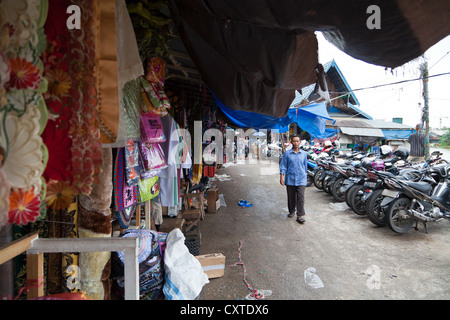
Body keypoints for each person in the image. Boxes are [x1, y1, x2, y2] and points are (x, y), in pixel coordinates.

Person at [279, 134, 308, 224]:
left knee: (301, 197)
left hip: (301, 179)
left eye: (297, 141)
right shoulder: (287, 154)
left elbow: (305, 167)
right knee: (291, 197)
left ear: (300, 142)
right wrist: (282, 176)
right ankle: (291, 211)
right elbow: (283, 166)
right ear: (291, 142)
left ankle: (300, 215)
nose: (295, 143)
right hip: (290, 178)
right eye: (294, 141)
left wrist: (306, 177)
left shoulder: (303, 154)